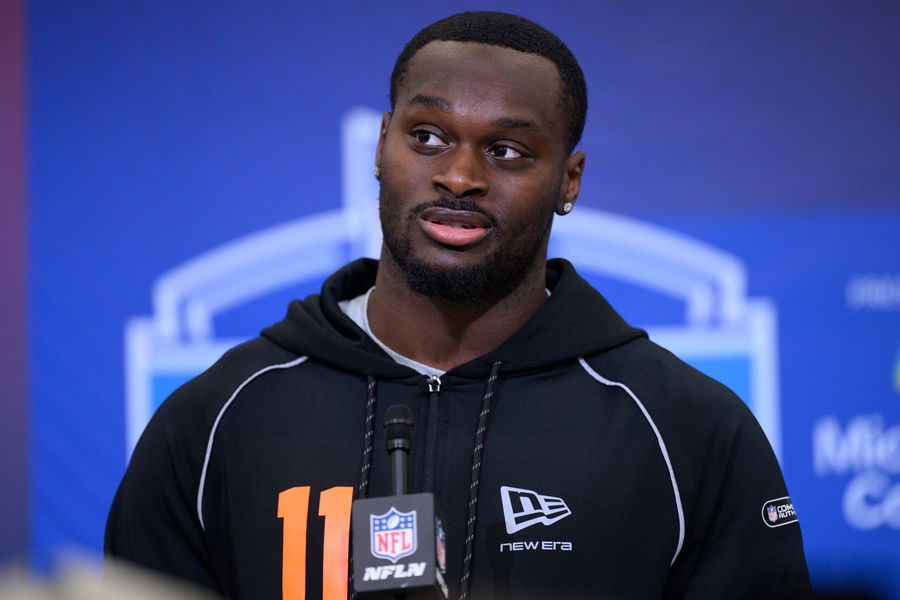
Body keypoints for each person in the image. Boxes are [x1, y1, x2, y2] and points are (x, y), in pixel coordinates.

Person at [106, 11, 811, 600]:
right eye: (428, 137)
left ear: (569, 181)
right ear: (382, 145)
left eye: (506, 150)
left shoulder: (688, 427)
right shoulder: (216, 420)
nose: (460, 175)